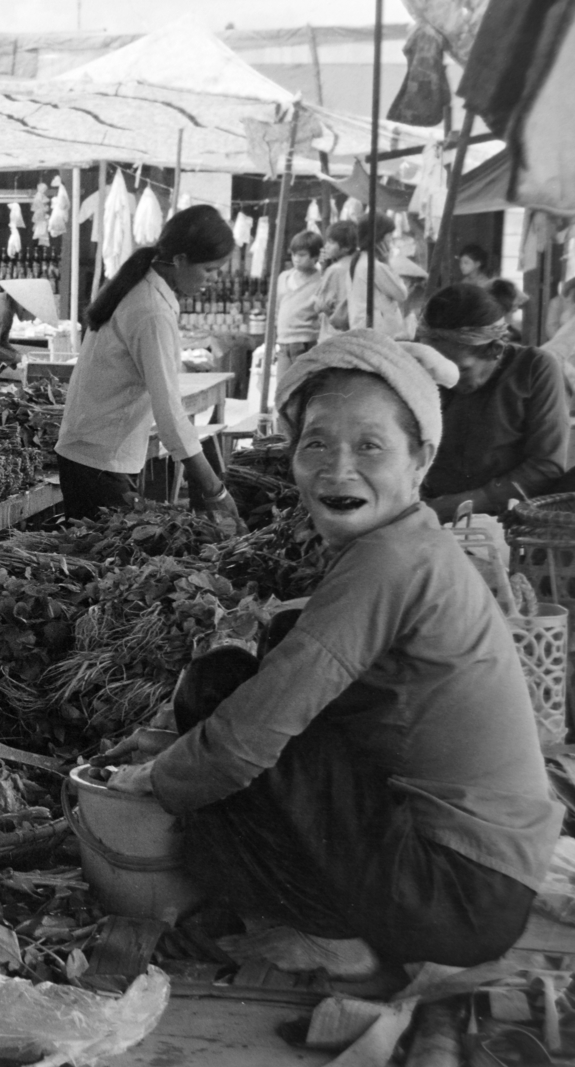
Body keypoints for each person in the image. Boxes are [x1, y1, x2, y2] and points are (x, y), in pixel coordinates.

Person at [107, 330, 559, 976]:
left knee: (221, 695)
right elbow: (297, 669)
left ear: (421, 459)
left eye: (369, 446)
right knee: (265, 657)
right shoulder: (411, 543)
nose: (337, 468)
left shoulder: (390, 560)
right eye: (316, 443)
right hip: (479, 888)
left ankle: (333, 934)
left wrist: (152, 778)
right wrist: (165, 743)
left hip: (456, 893)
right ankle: (351, 923)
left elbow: (244, 738)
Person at [55, 205, 241, 529]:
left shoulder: (142, 288)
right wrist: (215, 490)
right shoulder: (151, 310)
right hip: (99, 461)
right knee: (101, 555)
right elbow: (170, 417)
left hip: (92, 453)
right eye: (209, 270)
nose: (213, 279)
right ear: (180, 260)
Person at [417, 283, 567, 519]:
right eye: (435, 369)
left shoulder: (535, 368)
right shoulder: (424, 373)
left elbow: (546, 466)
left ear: (496, 350)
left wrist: (453, 507)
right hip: (427, 509)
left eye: (460, 370)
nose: (445, 381)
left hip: (509, 519)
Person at [346, 214, 408, 339]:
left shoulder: (358, 261)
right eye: (389, 235)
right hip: (380, 334)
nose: (391, 239)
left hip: (364, 330)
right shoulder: (374, 266)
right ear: (380, 237)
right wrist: (387, 262)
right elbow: (402, 294)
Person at [275, 230, 323, 366]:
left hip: (306, 343)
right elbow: (277, 309)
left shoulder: (321, 281)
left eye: (302, 255)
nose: (296, 259)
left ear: (315, 257)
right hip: (283, 343)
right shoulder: (284, 277)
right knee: (283, 380)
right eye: (293, 254)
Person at [313, 220, 359, 339]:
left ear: (347, 247)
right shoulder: (360, 264)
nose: (326, 246)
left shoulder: (335, 270)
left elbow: (319, 305)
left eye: (331, 242)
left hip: (333, 334)